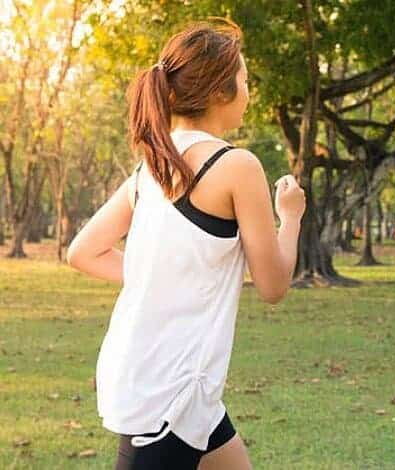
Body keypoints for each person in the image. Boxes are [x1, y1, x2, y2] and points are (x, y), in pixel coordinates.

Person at [66, 17, 305, 470]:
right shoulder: (237, 166)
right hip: (167, 395)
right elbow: (273, 285)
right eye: (245, 81)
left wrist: (161, 277)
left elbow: (84, 251)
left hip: (173, 384)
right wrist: (289, 218)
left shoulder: (150, 168)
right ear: (220, 90)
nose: (249, 92)